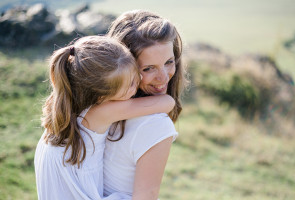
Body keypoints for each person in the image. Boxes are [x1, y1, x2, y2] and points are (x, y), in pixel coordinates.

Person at [34, 35, 176, 200]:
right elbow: (167, 102)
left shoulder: (66, 106)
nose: (138, 81)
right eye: (130, 84)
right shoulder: (100, 113)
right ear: (102, 98)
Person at [103, 10, 188, 200]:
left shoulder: (99, 109)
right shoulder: (155, 125)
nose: (164, 77)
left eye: (169, 62)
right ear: (123, 67)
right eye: (148, 68)